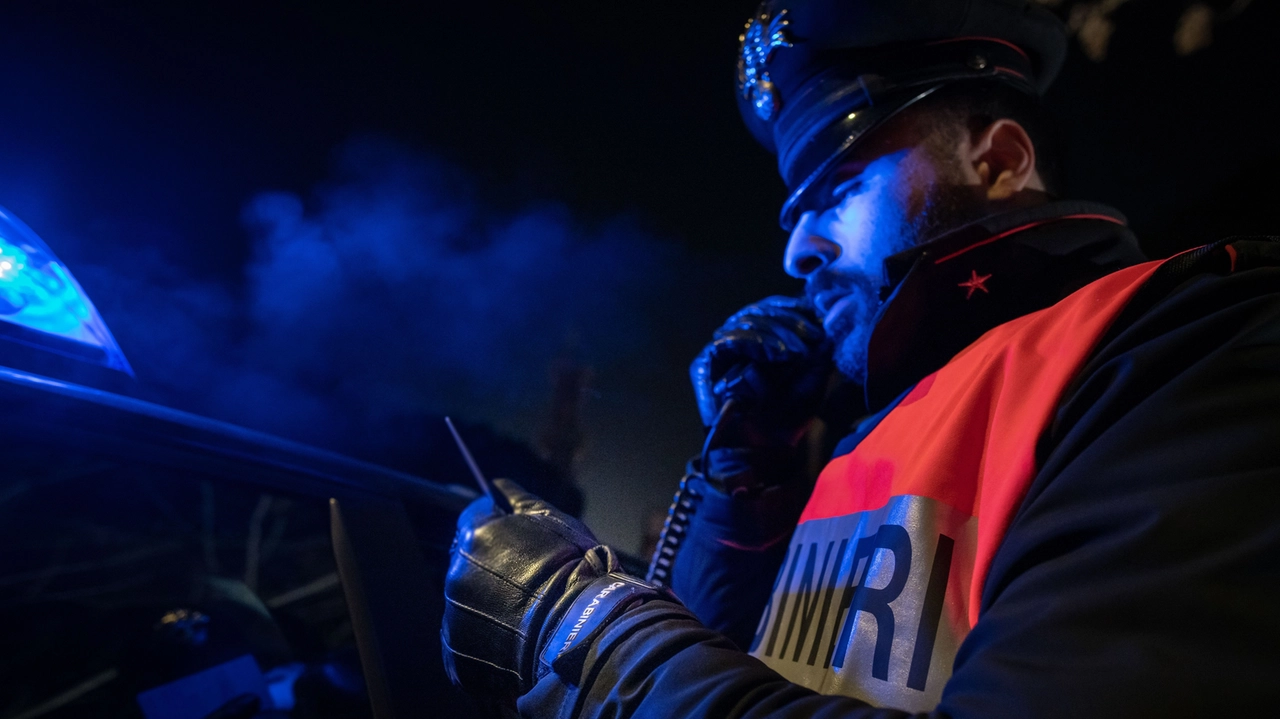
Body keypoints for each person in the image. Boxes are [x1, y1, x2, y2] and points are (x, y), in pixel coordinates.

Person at [440, 0, 1280, 716]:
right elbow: (740, 663)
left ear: (998, 161)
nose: (797, 250)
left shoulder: (1189, 337)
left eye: (838, 186)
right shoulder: (864, 422)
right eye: (792, 210)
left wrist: (588, 633)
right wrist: (747, 474)